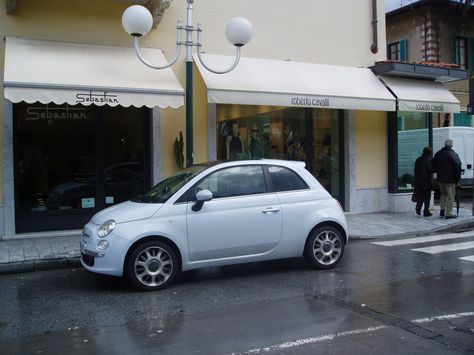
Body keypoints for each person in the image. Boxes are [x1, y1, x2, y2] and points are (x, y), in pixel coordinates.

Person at [432, 139, 462, 219]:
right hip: (450, 180)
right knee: (451, 196)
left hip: (440, 179)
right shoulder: (453, 154)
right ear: (451, 145)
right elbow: (458, 166)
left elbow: (433, 164)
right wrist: (457, 180)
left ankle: (442, 210)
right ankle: (449, 213)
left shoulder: (438, 153)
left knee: (443, 194)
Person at [413, 147, 433, 217]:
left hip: (418, 181)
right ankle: (426, 211)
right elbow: (430, 171)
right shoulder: (428, 160)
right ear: (429, 153)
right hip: (426, 182)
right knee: (427, 197)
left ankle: (418, 207)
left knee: (421, 195)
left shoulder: (418, 159)